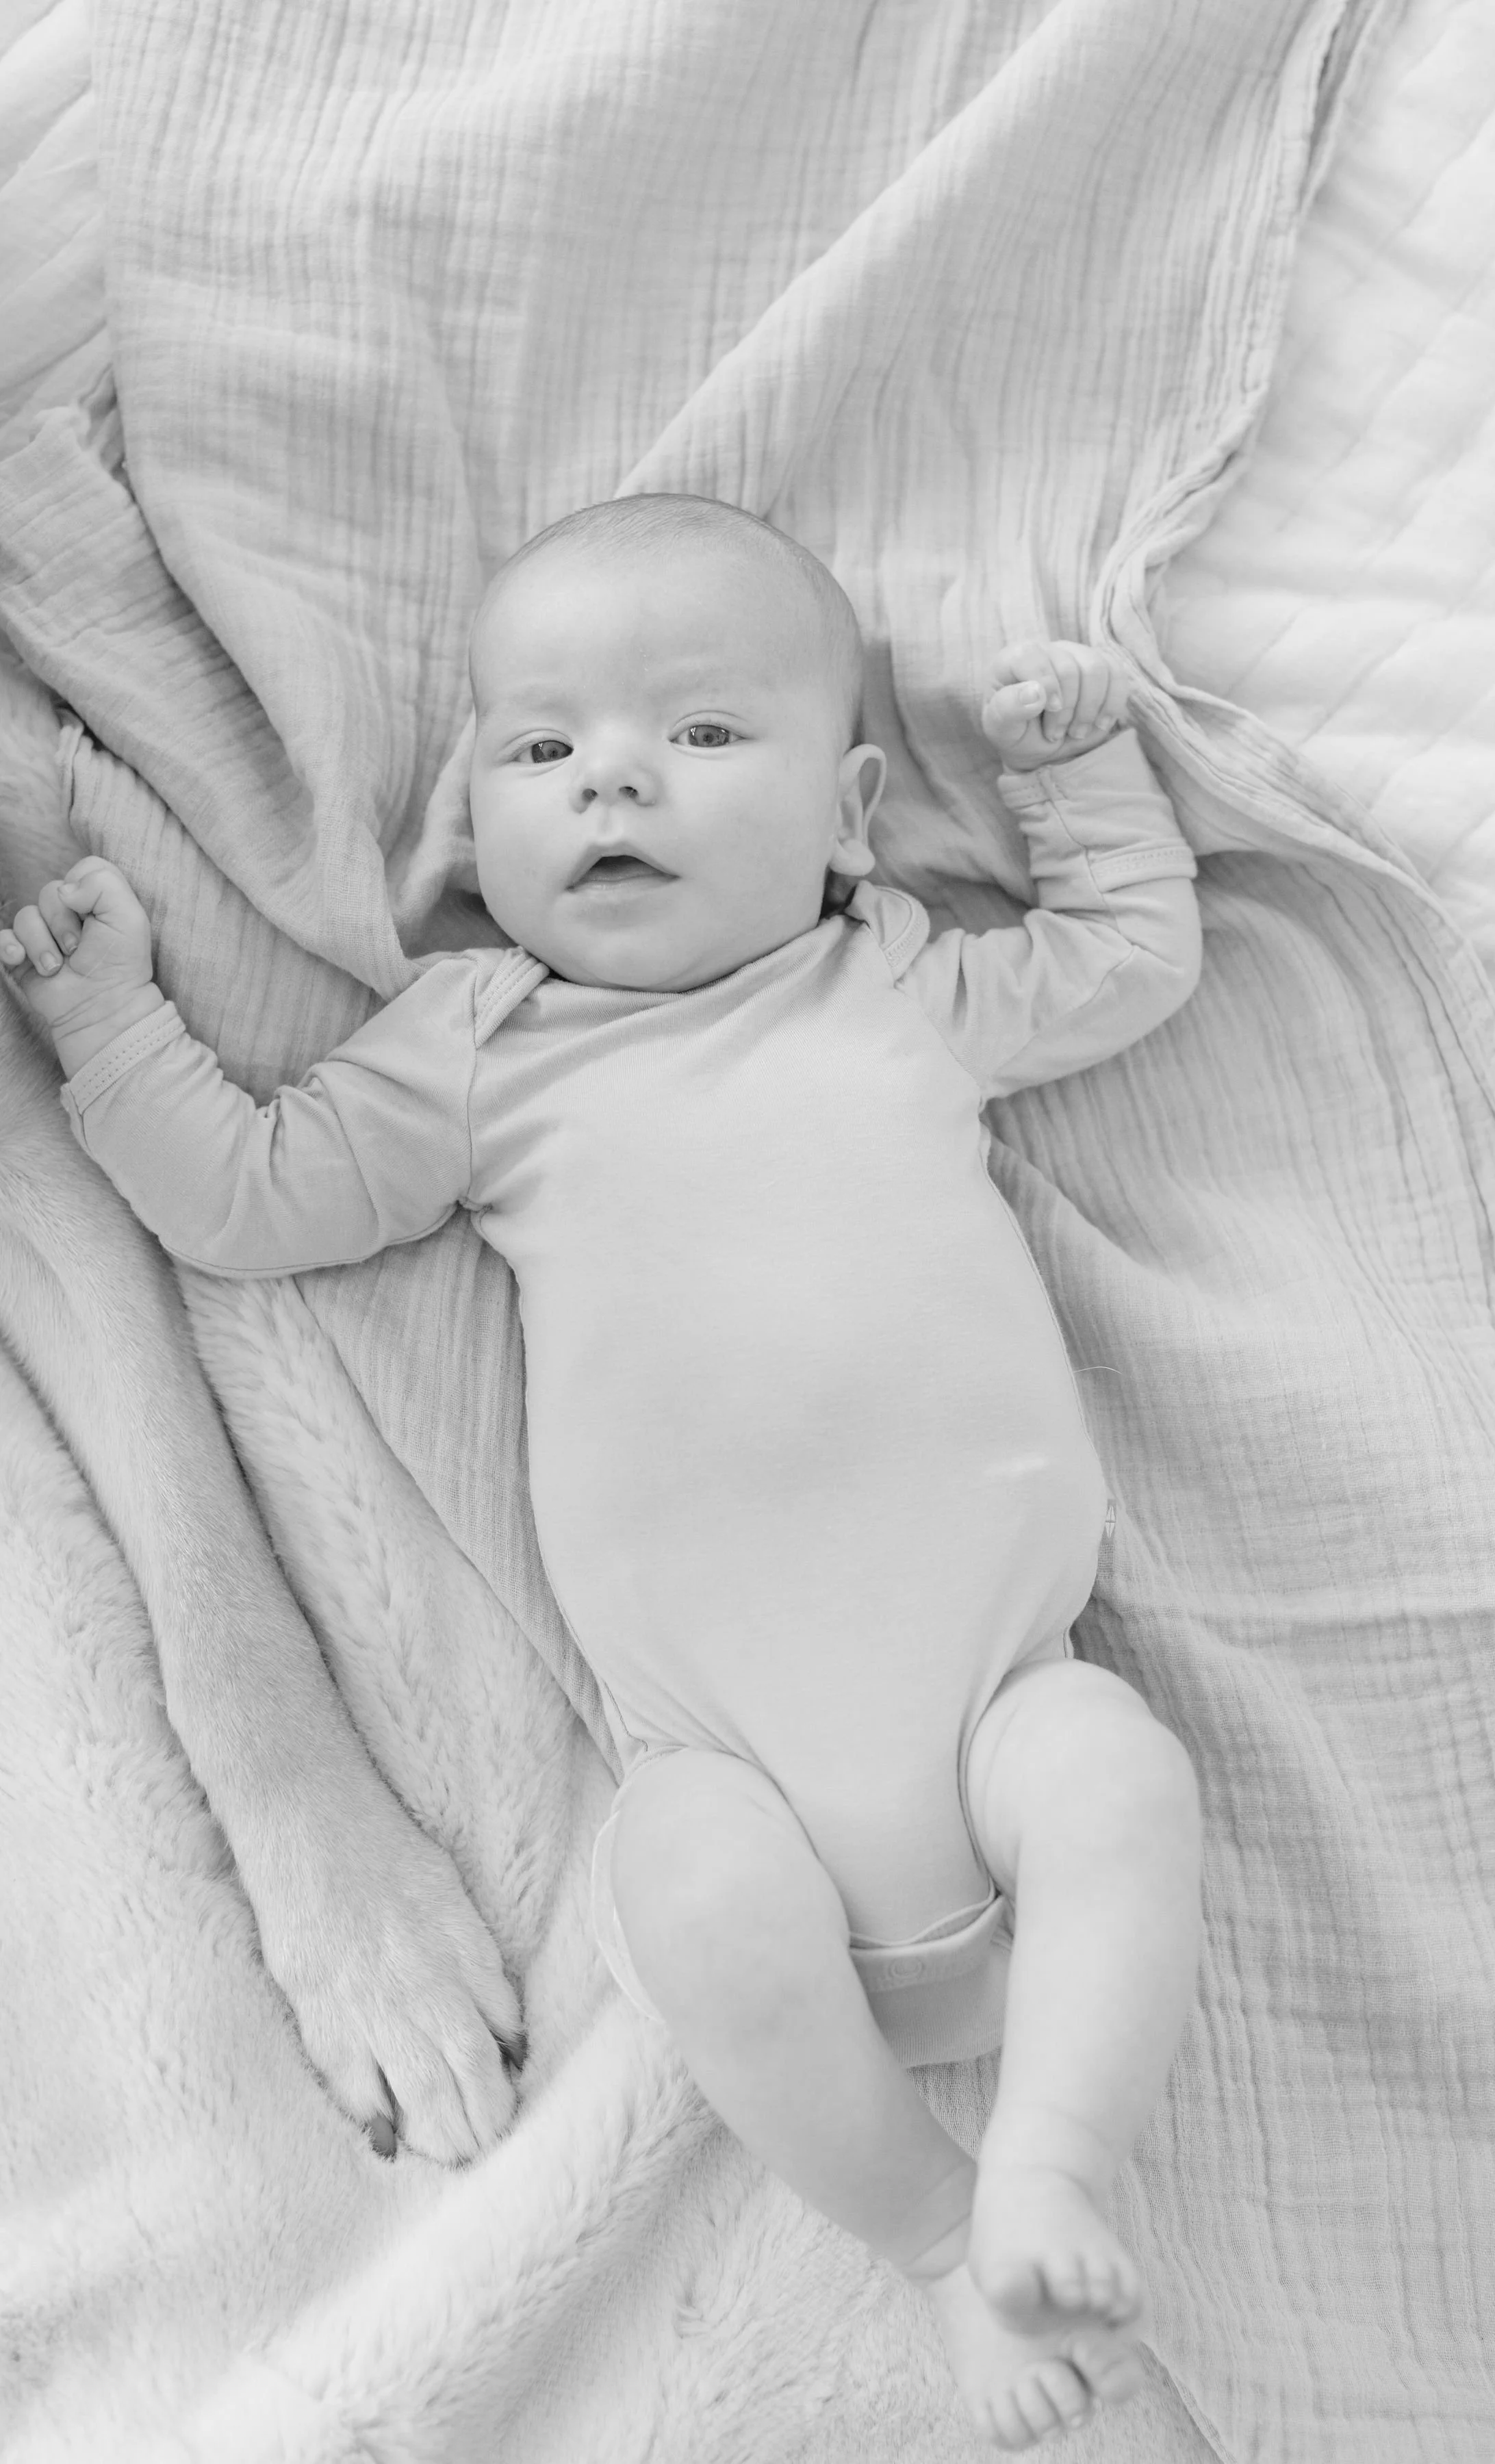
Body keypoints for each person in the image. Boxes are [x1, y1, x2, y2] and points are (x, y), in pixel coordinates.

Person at [3, 493, 1205, 2450]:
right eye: (543, 750)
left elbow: (1131, 960)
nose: (614, 775)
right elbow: (246, 1197)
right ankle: (929, 2236)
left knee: (1121, 1780)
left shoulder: (898, 987)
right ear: (478, 824)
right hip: (723, 1776)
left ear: (850, 812)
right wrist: (105, 1014)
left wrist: (1078, 777)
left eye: (704, 736)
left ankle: (1055, 2160)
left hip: (1009, 1713)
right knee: (686, 1889)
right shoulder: (481, 1052)